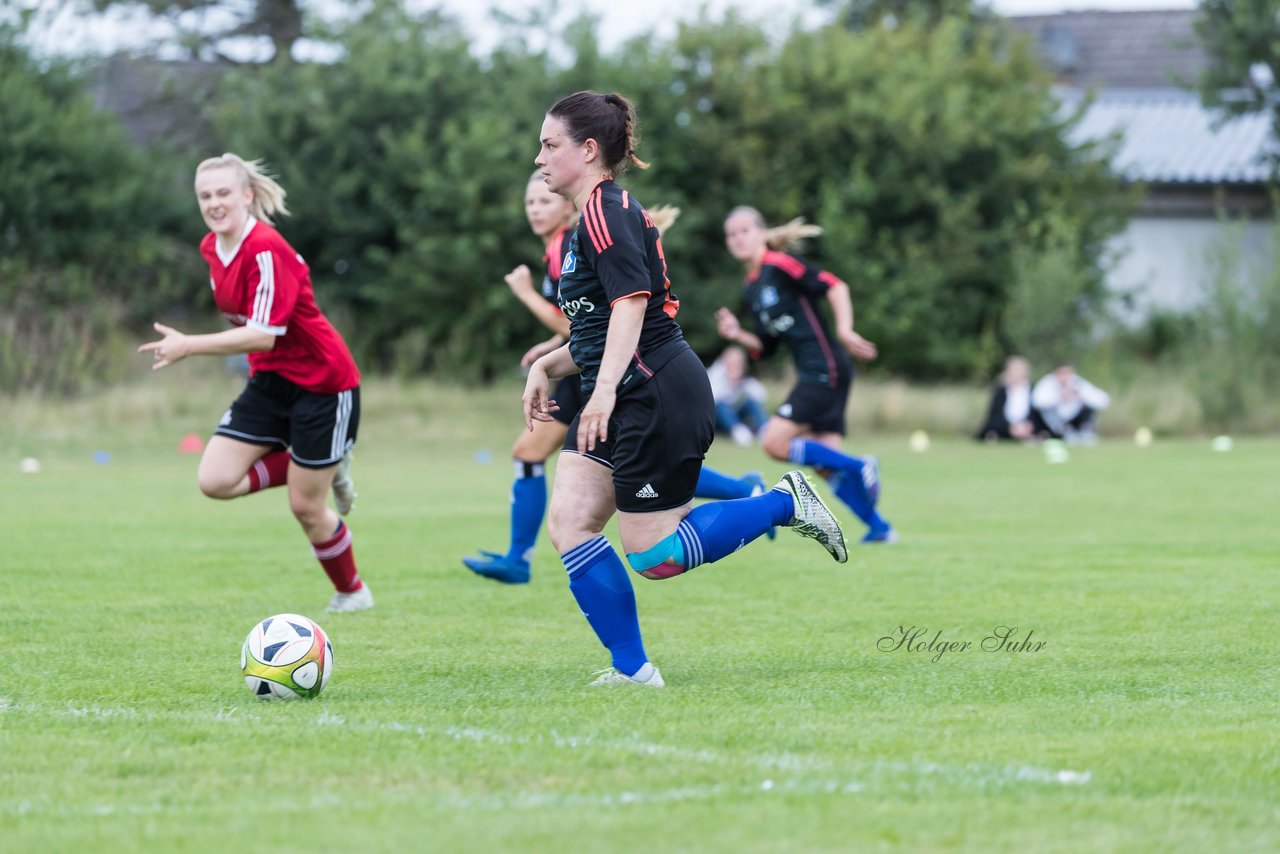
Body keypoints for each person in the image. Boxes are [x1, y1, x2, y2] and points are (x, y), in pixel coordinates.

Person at [523, 90, 848, 687]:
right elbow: (598, 330)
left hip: (654, 390)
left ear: (588, 150)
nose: (539, 158)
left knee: (655, 557)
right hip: (623, 386)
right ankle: (632, 670)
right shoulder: (585, 224)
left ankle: (786, 502)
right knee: (570, 521)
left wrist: (601, 394)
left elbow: (632, 307)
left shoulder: (606, 210)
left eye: (550, 145)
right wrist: (548, 365)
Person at [463, 174, 774, 584]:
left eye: (542, 200)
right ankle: (743, 490)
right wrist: (548, 354)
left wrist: (526, 298)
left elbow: (589, 316)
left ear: (565, 206)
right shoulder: (565, 244)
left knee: (540, 458)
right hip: (592, 367)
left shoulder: (567, 244)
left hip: (603, 376)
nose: (534, 208)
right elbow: (588, 320)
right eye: (529, 202)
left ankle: (519, 556)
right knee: (619, 474)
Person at [138, 153, 371, 613]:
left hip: (324, 383)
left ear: (246, 195)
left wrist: (189, 345)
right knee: (215, 480)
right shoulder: (211, 247)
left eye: (223, 192)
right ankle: (323, 462)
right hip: (271, 383)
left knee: (306, 508)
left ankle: (352, 593)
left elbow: (264, 334)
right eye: (205, 196)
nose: (214, 203)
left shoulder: (265, 249)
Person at [716, 208, 895, 543]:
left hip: (824, 367)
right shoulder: (750, 288)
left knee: (773, 442)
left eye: (744, 231)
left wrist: (844, 330)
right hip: (819, 372)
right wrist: (738, 334)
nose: (738, 238)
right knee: (828, 465)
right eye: (731, 234)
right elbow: (767, 346)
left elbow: (834, 285)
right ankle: (880, 528)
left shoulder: (778, 264)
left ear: (761, 233)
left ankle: (861, 464)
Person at [1031, 362, 1110, 443]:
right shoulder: (1047, 383)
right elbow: (1037, 402)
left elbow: (1104, 400)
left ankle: (1086, 433)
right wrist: (1059, 397)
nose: (1064, 377)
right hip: (1054, 422)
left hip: (1076, 419)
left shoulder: (1078, 383)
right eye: (1061, 373)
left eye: (1067, 373)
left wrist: (1081, 397)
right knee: (1047, 410)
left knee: (1089, 406)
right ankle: (1064, 433)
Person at [708, 346, 769, 446]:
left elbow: (762, 396)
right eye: (731, 363)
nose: (734, 366)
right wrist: (729, 381)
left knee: (751, 402)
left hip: (735, 413)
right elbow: (712, 400)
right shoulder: (715, 375)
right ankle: (739, 431)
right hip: (717, 418)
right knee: (722, 406)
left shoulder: (743, 378)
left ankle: (765, 430)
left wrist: (742, 382)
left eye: (737, 363)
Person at [975, 355, 1042, 442]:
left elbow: (1037, 414)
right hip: (1004, 428)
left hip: (1027, 427)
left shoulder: (1033, 390)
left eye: (1019, 370)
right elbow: (994, 415)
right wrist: (1010, 427)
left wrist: (1027, 426)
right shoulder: (1001, 391)